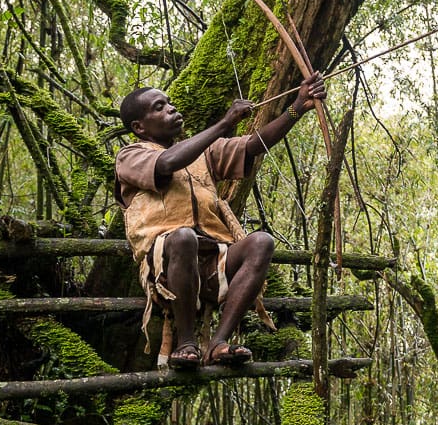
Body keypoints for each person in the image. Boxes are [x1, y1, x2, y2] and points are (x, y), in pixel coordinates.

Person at [114, 73, 326, 368]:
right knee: (184, 237)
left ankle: (219, 342)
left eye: (170, 103)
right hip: (166, 264)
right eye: (159, 107)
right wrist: (225, 124)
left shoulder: (204, 152)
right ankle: (186, 342)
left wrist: (297, 107)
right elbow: (167, 163)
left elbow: (253, 145)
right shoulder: (130, 155)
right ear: (139, 127)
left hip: (214, 262)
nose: (171, 109)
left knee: (261, 242)